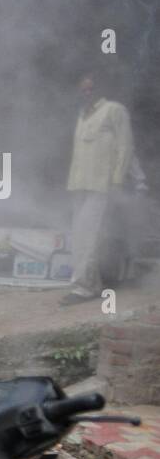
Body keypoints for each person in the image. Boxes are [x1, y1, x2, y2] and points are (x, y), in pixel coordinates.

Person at [63, 72, 134, 304]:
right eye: (83, 89)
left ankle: (83, 288)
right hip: (79, 185)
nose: (86, 93)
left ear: (100, 89)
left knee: (90, 236)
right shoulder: (82, 114)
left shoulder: (114, 110)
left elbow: (125, 146)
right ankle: (89, 284)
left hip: (100, 185)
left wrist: (116, 180)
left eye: (90, 89)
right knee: (79, 235)